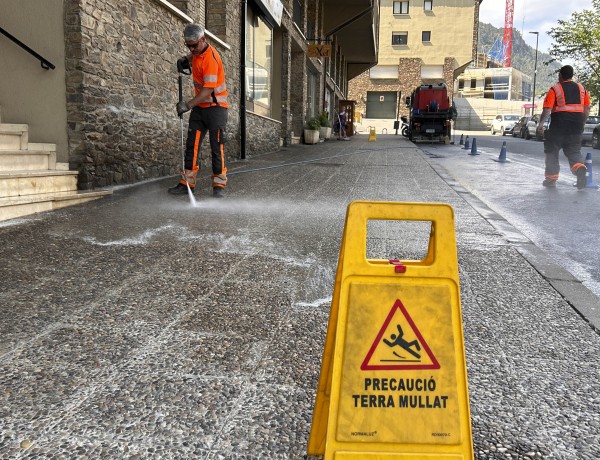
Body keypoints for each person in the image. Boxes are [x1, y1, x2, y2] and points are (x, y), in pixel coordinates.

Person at [170, 24, 228, 198]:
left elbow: (207, 91)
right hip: (200, 109)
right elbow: (194, 56)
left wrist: (187, 105)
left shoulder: (212, 59)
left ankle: (218, 185)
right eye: (188, 45)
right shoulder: (196, 53)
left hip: (216, 109)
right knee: (191, 146)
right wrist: (185, 60)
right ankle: (187, 184)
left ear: (203, 39)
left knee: (216, 146)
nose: (191, 49)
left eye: (194, 45)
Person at [537, 65, 590, 189]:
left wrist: (541, 124)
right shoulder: (582, 89)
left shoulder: (555, 89)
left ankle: (551, 179)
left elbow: (547, 109)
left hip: (558, 128)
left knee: (552, 151)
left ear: (560, 75)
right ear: (572, 75)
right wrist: (582, 123)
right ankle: (579, 168)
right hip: (576, 127)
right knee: (574, 151)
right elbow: (586, 109)